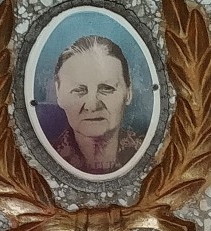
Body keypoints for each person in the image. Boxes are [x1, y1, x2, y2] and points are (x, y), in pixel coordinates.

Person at [46, 34, 148, 176]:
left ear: (129, 92)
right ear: (59, 94)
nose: (92, 106)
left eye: (106, 88)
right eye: (79, 90)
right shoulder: (45, 157)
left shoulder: (150, 152)